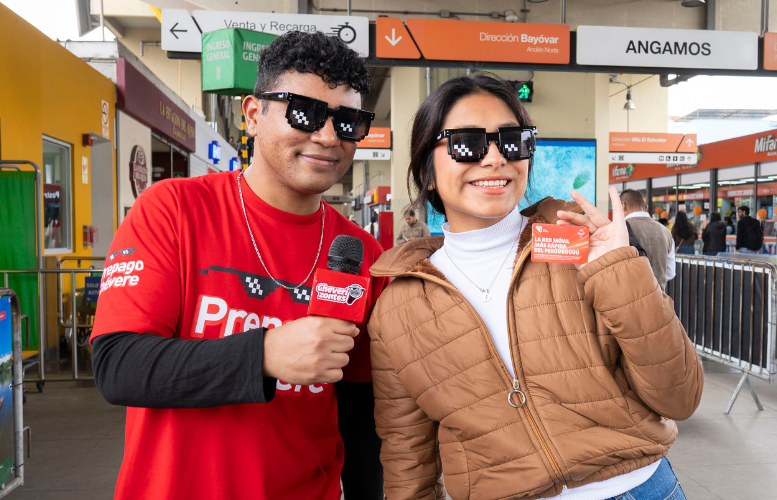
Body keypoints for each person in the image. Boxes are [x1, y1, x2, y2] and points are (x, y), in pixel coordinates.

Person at [367, 74, 702, 500]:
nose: (494, 158)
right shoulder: (398, 306)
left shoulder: (582, 245)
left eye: (512, 140)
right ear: (427, 171)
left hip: (640, 488)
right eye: (466, 142)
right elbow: (406, 456)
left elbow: (681, 397)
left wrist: (620, 270)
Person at [90, 32, 386, 500]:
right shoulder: (173, 210)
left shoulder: (364, 254)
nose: (328, 136)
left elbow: (359, 416)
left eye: (348, 121)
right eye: (304, 112)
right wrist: (264, 355)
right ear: (252, 114)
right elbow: (118, 365)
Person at [620, 189, 675, 290]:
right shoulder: (666, 231)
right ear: (646, 208)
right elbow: (670, 273)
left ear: (622, 205)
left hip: (628, 300)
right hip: (659, 300)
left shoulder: (619, 230)